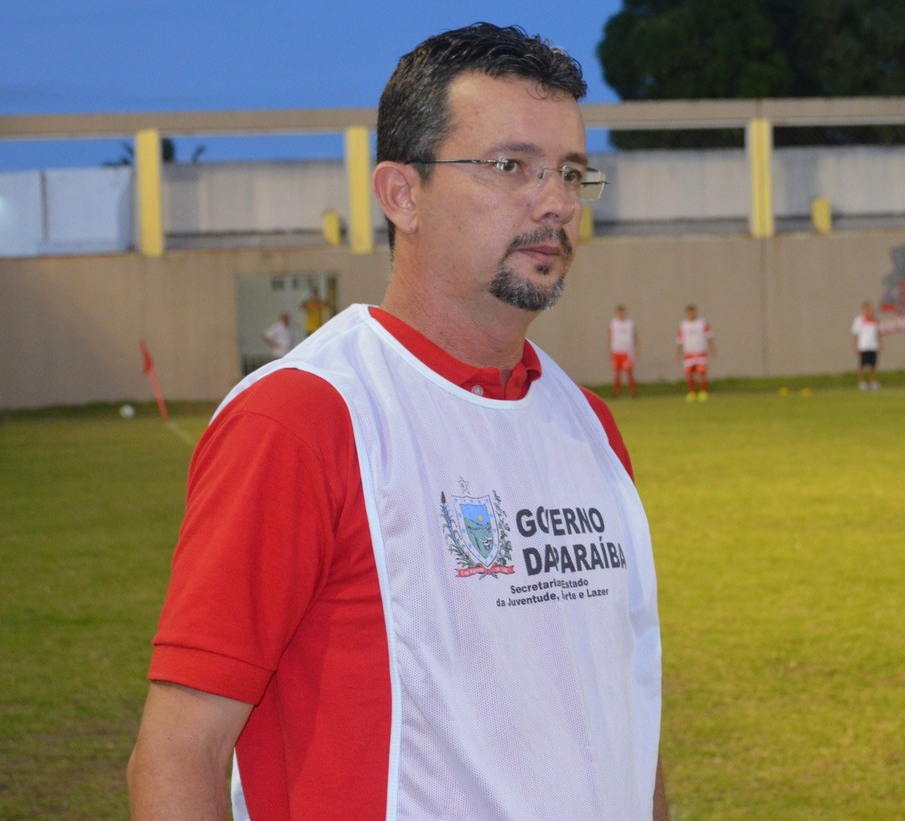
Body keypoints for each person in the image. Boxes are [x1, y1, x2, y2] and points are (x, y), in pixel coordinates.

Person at [128, 23, 667, 821]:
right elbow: (179, 752)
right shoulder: (304, 418)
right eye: (511, 166)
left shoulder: (587, 426)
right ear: (401, 195)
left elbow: (624, 713)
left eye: (570, 171)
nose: (555, 201)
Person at [677, 303, 716, 401]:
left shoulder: (702, 323)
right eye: (690, 312)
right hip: (689, 353)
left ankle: (703, 392)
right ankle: (692, 392)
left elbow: (709, 336)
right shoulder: (683, 325)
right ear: (687, 313)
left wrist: (712, 349)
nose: (692, 314)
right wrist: (679, 352)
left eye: (693, 312)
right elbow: (680, 340)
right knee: (689, 374)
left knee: (702, 373)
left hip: (700, 352)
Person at [609, 303, 639, 398]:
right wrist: (609, 350)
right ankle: (616, 393)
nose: (620, 314)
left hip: (627, 352)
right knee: (617, 373)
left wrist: (636, 348)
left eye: (622, 312)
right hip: (616, 351)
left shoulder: (630, 323)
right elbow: (610, 337)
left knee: (629, 372)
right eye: (619, 312)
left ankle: (633, 392)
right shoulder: (613, 323)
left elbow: (635, 336)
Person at [851, 300, 881, 390]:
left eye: (870, 309)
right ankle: (862, 382)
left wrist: (880, 343)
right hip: (863, 346)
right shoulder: (859, 320)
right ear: (863, 310)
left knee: (873, 366)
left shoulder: (875, 320)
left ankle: (873, 382)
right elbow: (855, 334)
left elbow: (878, 333)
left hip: (873, 346)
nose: (869, 311)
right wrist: (855, 346)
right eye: (867, 309)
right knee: (862, 365)